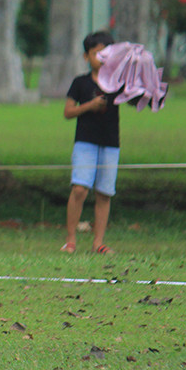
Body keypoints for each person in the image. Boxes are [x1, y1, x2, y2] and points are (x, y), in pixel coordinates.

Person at [61, 30, 118, 254]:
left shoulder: (117, 83)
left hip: (111, 142)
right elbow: (67, 112)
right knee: (79, 189)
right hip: (85, 142)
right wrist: (90, 106)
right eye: (96, 54)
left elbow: (137, 99)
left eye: (106, 54)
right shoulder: (80, 83)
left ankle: (98, 243)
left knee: (104, 193)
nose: (101, 59)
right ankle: (71, 239)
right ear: (87, 57)